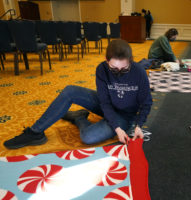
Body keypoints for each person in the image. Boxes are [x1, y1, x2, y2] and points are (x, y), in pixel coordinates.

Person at [4, 39, 153, 149]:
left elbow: (146, 102)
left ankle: (78, 117)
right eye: (114, 68)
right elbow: (105, 102)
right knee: (70, 91)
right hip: (107, 104)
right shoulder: (101, 69)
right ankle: (35, 132)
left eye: (124, 69)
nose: (119, 73)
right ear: (106, 61)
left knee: (88, 137)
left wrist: (138, 125)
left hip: (125, 115)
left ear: (130, 61)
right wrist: (116, 128)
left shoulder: (139, 72)